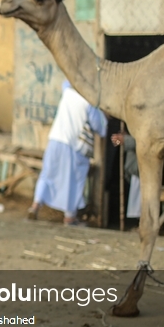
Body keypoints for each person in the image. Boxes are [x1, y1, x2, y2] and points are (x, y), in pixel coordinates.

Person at [28, 80, 107, 226]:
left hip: (55, 140)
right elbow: (101, 128)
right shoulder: (89, 103)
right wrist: (104, 114)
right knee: (74, 181)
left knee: (47, 174)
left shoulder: (67, 91)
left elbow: (66, 81)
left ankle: (35, 206)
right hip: (73, 146)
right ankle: (70, 217)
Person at [111, 131, 141, 221]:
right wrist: (120, 140)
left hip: (141, 168)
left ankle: (142, 222)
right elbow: (118, 142)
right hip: (133, 168)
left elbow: (145, 140)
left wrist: (126, 140)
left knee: (141, 198)